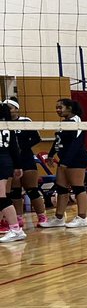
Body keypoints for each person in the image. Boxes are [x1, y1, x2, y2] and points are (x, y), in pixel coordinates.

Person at [38, 98, 87, 230]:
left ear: (70, 108)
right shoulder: (65, 123)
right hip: (65, 159)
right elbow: (58, 141)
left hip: (77, 158)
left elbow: (76, 144)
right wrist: (51, 155)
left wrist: (66, 162)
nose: (57, 110)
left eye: (60, 107)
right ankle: (59, 218)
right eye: (56, 107)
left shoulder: (76, 121)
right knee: (61, 188)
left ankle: (82, 218)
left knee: (78, 187)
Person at [2, 98, 48, 234]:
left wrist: (22, 147)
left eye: (10, 107)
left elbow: (36, 138)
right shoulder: (4, 123)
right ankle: (18, 218)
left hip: (26, 159)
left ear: (16, 108)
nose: (8, 110)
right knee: (15, 192)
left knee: (31, 189)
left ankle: (42, 217)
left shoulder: (25, 121)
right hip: (11, 161)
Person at [0, 103, 22, 244]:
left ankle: (16, 230)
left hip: (1, 161)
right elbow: (14, 147)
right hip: (6, 161)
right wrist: (17, 166)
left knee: (1, 197)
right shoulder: (8, 126)